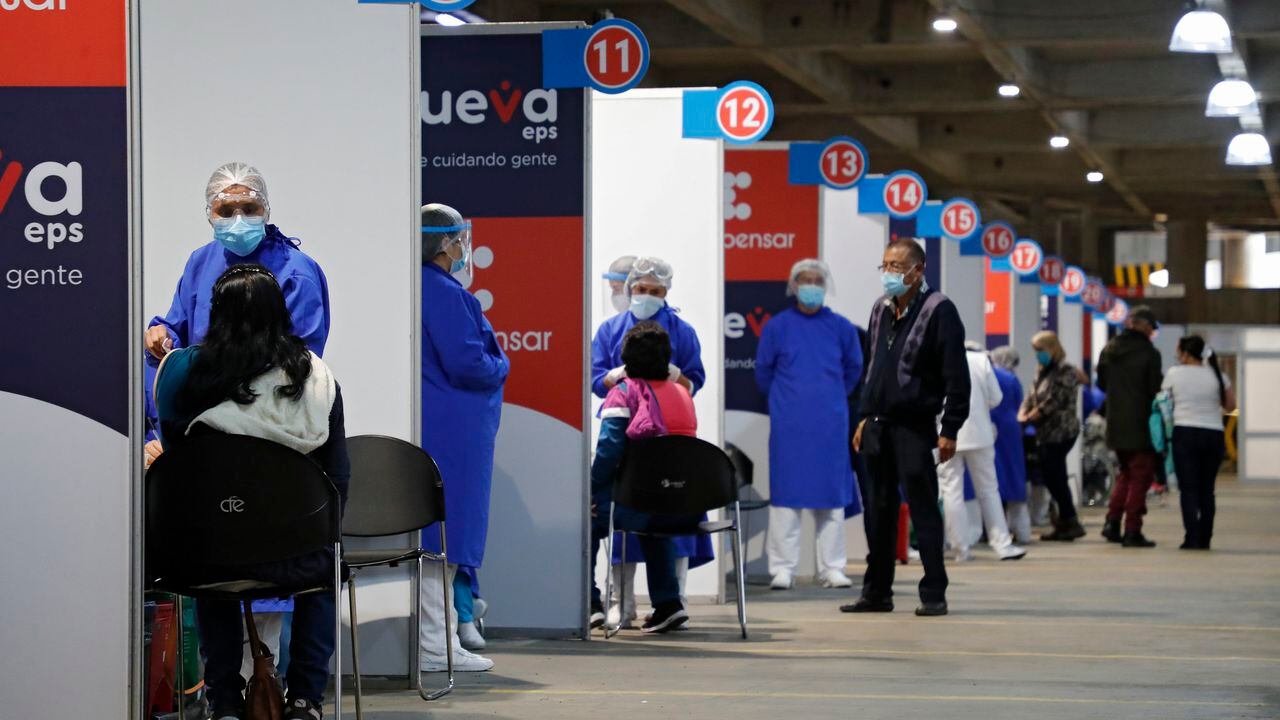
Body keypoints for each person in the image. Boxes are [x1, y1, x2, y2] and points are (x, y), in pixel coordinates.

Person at [144, 161, 331, 678]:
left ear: (267, 210)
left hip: (271, 444)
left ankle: (259, 686)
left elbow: (301, 359)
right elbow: (174, 327)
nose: (238, 219)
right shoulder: (199, 263)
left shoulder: (296, 270)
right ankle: (239, 692)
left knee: (255, 554)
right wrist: (158, 333)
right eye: (226, 210)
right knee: (223, 554)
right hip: (213, 446)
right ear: (209, 213)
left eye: (249, 208)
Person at [153, 265, 348, 720]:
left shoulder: (183, 373)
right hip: (296, 551)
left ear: (213, 315)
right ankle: (305, 701)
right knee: (324, 569)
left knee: (208, 565)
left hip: (208, 549)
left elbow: (182, 466)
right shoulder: (315, 381)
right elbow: (337, 477)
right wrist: (322, 535)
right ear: (282, 314)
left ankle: (223, 700)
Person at [842, 239, 970, 618]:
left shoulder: (940, 310)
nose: (890, 274)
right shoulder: (880, 310)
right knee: (878, 512)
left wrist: (950, 428)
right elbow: (871, 370)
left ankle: (933, 592)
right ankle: (877, 592)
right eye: (885, 266)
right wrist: (863, 417)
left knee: (923, 508)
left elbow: (956, 377)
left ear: (918, 269)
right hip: (877, 426)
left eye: (897, 266)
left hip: (915, 427)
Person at [589, 256, 711, 626]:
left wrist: (594, 490)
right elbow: (596, 379)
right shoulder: (679, 398)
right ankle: (659, 603)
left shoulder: (626, 392)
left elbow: (610, 447)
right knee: (659, 521)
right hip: (673, 485)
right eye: (640, 289)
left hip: (633, 483)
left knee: (603, 518)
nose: (645, 296)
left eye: (654, 292)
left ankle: (593, 603)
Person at [419, 203, 510, 671]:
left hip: (439, 427)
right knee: (444, 539)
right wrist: (503, 364)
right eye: (457, 240)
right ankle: (436, 646)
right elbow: (470, 363)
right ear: (445, 244)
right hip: (454, 434)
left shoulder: (420, 290)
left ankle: (441, 639)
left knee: (437, 539)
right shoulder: (446, 295)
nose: (462, 248)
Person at [755, 259, 862, 590]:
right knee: (786, 498)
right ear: (793, 285)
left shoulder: (842, 327)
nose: (812, 285)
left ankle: (832, 568)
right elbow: (763, 372)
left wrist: (830, 398)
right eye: (805, 280)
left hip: (831, 423)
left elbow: (854, 369)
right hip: (789, 424)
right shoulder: (777, 327)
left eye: (817, 280)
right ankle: (782, 568)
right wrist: (787, 400)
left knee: (831, 498)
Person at [939, 343, 1027, 561]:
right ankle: (1002, 544)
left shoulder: (936, 360)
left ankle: (960, 548)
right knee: (988, 489)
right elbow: (996, 398)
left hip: (947, 435)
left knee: (951, 490)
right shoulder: (980, 361)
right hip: (980, 434)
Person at [1096, 306, 1164, 548]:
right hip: (1141, 424)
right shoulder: (1149, 353)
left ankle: (1112, 523)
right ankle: (1132, 530)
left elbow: (1101, 384)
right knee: (1141, 477)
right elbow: (1154, 389)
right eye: (1151, 328)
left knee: (1125, 472)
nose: (1152, 333)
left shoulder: (1109, 349)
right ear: (1143, 326)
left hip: (1115, 423)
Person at [1163, 335, 1235, 550]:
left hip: (1184, 433)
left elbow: (1164, 402)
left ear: (1185, 353)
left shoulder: (1174, 374)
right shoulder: (1218, 375)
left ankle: (1191, 538)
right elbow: (1231, 406)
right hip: (1213, 434)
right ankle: (1206, 538)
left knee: (1189, 490)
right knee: (1207, 490)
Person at [1018, 331, 1084, 542]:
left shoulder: (1066, 371)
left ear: (1052, 348)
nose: (1038, 355)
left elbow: (1055, 400)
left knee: (1053, 476)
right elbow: (1032, 394)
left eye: (1040, 350)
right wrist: (1023, 411)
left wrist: (1032, 415)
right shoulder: (1042, 370)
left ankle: (1070, 520)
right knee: (1054, 476)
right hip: (1046, 433)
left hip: (1062, 432)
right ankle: (1064, 523)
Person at [989, 346, 1031, 543]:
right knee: (1013, 475)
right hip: (1010, 429)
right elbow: (1019, 403)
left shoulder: (987, 375)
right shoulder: (1011, 379)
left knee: (990, 479)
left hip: (990, 428)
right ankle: (1021, 530)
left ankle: (993, 529)